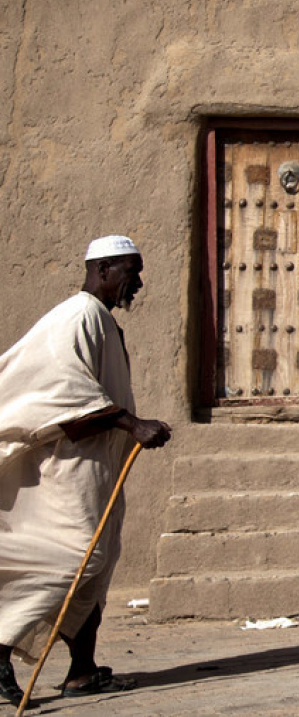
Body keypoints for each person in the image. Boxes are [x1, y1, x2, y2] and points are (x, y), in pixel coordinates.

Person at [0, 235, 172, 705]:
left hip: (96, 473)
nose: (137, 283)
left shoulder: (101, 322)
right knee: (77, 559)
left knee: (97, 569)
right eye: (130, 272)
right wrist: (132, 423)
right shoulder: (77, 317)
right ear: (101, 270)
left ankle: (82, 671)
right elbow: (64, 400)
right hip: (66, 474)